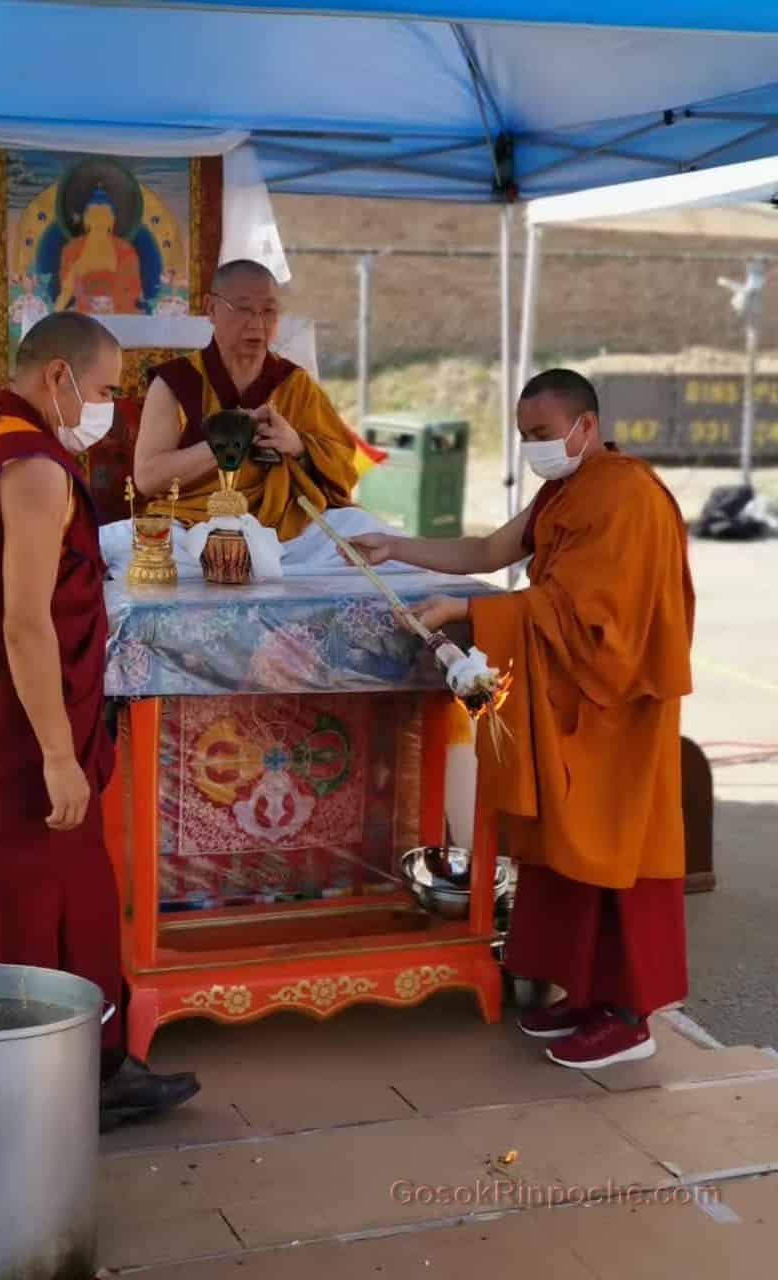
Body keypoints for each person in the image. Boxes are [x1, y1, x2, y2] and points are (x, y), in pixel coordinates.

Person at [0, 312, 199, 1129]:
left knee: (40, 887)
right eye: (104, 390)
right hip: (9, 718)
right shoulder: (31, 465)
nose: (110, 408)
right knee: (7, 890)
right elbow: (25, 619)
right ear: (57, 377)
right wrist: (59, 755)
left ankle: (72, 1071)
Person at [350, 369, 695, 1070]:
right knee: (565, 847)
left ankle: (630, 1016)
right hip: (574, 700)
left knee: (617, 853)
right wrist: (396, 546)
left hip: (618, 708)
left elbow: (601, 622)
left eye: (541, 435)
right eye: (524, 438)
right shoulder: (564, 489)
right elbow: (487, 553)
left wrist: (469, 612)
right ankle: (587, 993)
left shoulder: (627, 495)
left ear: (584, 427)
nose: (534, 448)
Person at [134, 259, 357, 539]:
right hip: (193, 525)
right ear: (211, 309)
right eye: (243, 310)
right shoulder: (176, 382)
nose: (257, 324)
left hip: (284, 527)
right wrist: (227, 442)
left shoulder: (294, 383)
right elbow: (147, 478)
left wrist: (298, 447)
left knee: (360, 530)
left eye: (268, 311)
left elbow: (345, 468)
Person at [55, 186, 143, 316]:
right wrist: (78, 268)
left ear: (112, 221)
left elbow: (132, 290)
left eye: (104, 216)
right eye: (94, 216)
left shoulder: (125, 250)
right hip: (83, 314)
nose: (99, 222)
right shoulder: (72, 249)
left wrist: (111, 305)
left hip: (119, 311)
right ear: (86, 220)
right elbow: (66, 291)